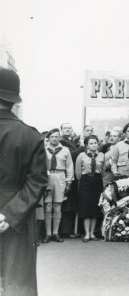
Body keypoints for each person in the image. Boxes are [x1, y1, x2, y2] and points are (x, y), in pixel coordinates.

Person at [0, 67, 48, 296]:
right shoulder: (31, 135)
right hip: (17, 220)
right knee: (18, 286)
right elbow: (37, 182)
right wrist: (8, 215)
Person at [44, 128, 74, 243]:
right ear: (48, 138)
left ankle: (55, 233)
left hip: (60, 176)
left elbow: (69, 166)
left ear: (59, 137)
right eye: (52, 137)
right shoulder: (44, 150)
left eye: (57, 136)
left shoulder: (65, 150)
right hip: (47, 177)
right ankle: (48, 233)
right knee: (48, 206)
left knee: (57, 205)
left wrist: (69, 181)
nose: (55, 139)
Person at [75, 135, 105, 242]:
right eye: (91, 143)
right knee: (86, 208)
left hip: (97, 182)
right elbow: (78, 173)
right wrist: (84, 180)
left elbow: (102, 171)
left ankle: (92, 233)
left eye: (95, 143)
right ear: (86, 145)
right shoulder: (81, 156)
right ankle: (87, 233)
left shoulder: (101, 155)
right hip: (85, 182)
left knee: (95, 208)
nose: (93, 145)